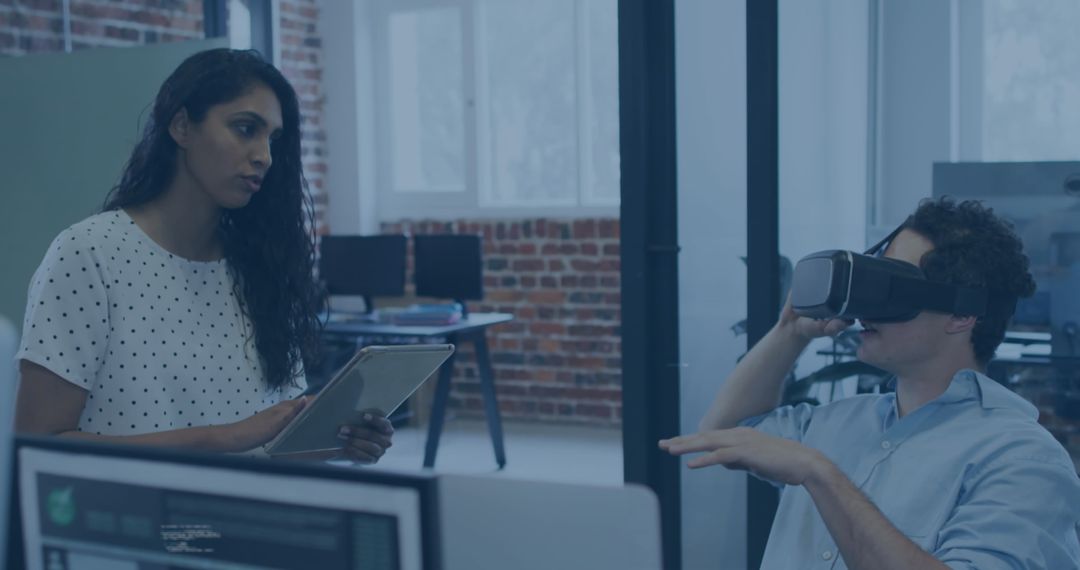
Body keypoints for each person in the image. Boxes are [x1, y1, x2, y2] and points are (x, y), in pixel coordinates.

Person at [14, 48, 392, 464]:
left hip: (246, 506)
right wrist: (224, 439)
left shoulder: (261, 268)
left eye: (272, 139)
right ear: (181, 126)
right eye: (245, 128)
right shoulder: (88, 254)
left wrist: (337, 443)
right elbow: (38, 445)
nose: (264, 156)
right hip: (134, 507)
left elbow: (270, 446)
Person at [661, 198, 1080, 569]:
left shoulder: (1021, 459)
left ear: (961, 315)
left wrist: (821, 476)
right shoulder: (836, 422)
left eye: (892, 285)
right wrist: (790, 332)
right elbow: (723, 435)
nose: (867, 307)